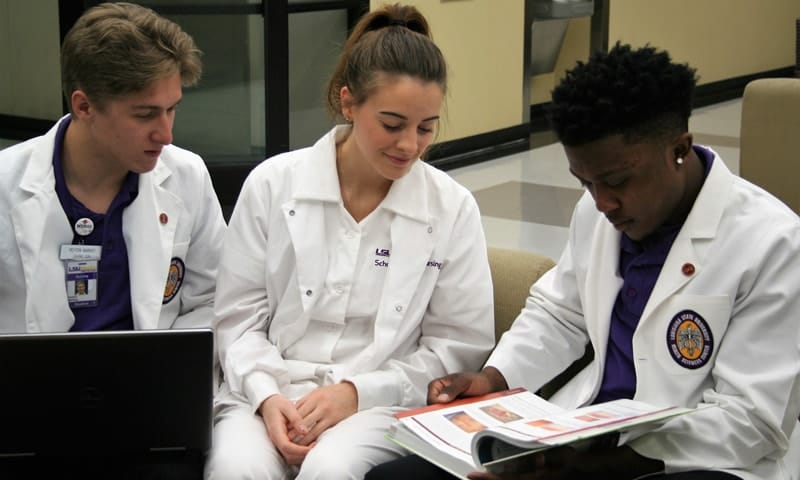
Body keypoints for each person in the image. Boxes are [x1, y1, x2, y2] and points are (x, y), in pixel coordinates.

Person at [366, 43, 800, 480]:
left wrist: (599, 469)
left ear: (679, 150)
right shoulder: (596, 209)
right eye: (586, 182)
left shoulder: (773, 244)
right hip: (578, 433)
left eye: (616, 181)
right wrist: (495, 379)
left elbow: (751, 422)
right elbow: (559, 315)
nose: (603, 202)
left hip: (692, 457)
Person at [205, 3, 495, 479]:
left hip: (379, 404)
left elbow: (457, 346)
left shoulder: (452, 207)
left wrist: (358, 393)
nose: (410, 146)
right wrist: (266, 394)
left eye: (426, 127)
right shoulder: (273, 184)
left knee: (333, 470)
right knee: (236, 469)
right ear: (348, 102)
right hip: (268, 391)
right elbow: (237, 320)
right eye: (392, 123)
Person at [0, 2, 225, 477]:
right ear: (83, 106)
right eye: (145, 114)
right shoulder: (4, 185)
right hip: (25, 425)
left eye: (172, 110)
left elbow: (212, 301)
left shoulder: (185, 177)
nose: (165, 133)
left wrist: (171, 383)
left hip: (152, 417)